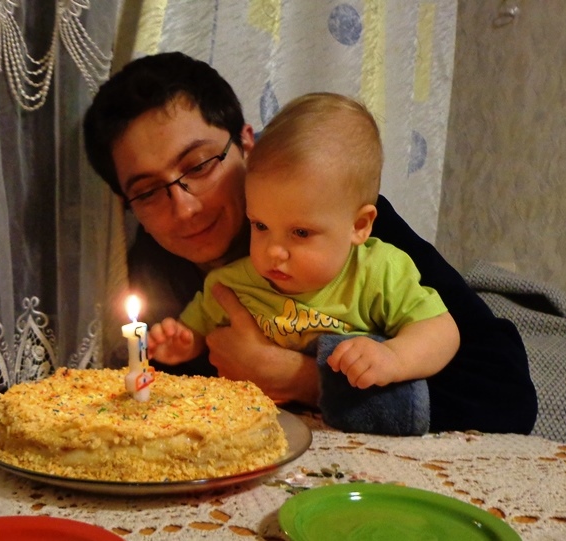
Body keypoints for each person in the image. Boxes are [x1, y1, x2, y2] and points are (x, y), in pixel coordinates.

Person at [83, 51, 537, 434]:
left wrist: (302, 378)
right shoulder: (153, 276)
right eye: (148, 191)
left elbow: (506, 394)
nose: (183, 208)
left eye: (199, 165)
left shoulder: (345, 227)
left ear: (247, 145)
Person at [147, 92, 460, 398]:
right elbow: (196, 331)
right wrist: (182, 344)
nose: (273, 251)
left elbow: (442, 331)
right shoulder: (230, 284)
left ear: (359, 226)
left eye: (300, 233)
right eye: (261, 226)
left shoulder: (379, 272)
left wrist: (394, 357)